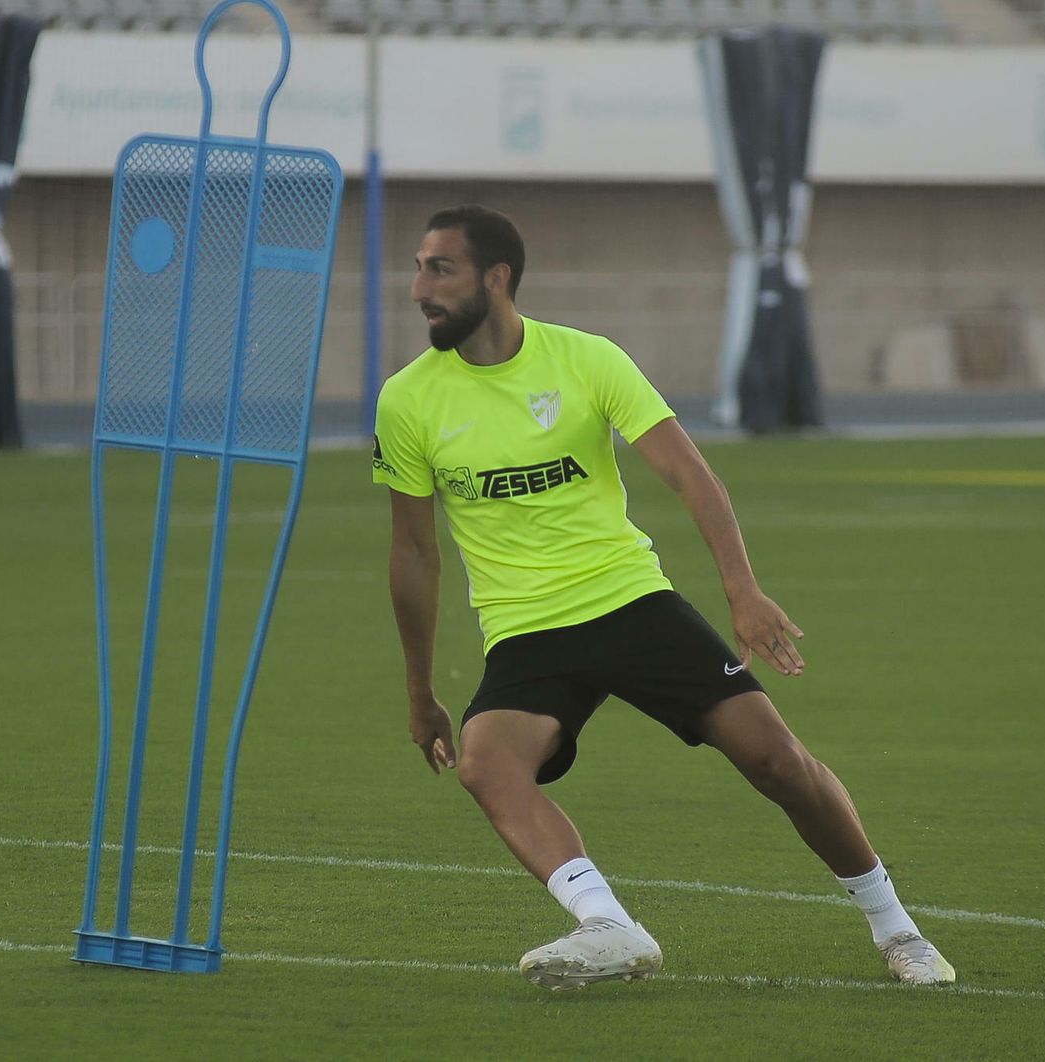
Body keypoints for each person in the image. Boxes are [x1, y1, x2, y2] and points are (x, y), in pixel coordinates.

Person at [371, 204, 955, 992]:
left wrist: (742, 592)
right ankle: (608, 925)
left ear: (496, 277)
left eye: (439, 269)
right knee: (486, 764)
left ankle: (898, 929)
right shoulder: (407, 400)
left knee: (777, 761)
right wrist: (419, 694)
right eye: (418, 269)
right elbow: (413, 553)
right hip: (526, 628)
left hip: (629, 601)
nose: (418, 289)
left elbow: (690, 474)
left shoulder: (587, 359)